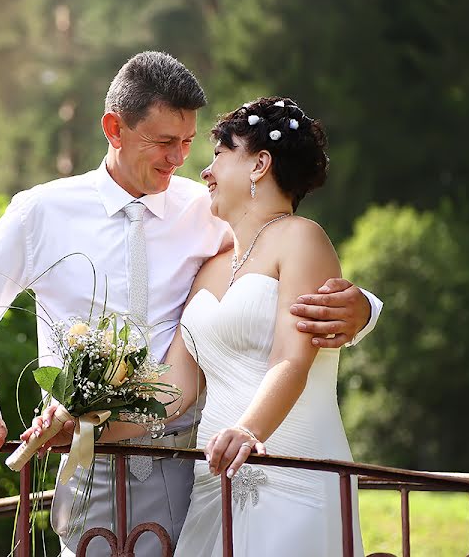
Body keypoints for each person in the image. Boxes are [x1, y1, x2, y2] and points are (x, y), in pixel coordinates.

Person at [0, 52, 381, 556]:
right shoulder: (40, 212)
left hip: (192, 468)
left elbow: (272, 273)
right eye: (164, 143)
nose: (181, 159)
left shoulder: (205, 209)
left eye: (189, 142)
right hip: (91, 461)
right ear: (114, 129)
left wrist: (362, 310)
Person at [27, 96, 366, 555]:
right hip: (212, 481)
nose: (204, 172)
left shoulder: (302, 239)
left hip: (289, 470)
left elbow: (291, 359)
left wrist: (248, 432)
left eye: (220, 156)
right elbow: (173, 391)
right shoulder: (210, 266)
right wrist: (86, 427)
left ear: (259, 165)